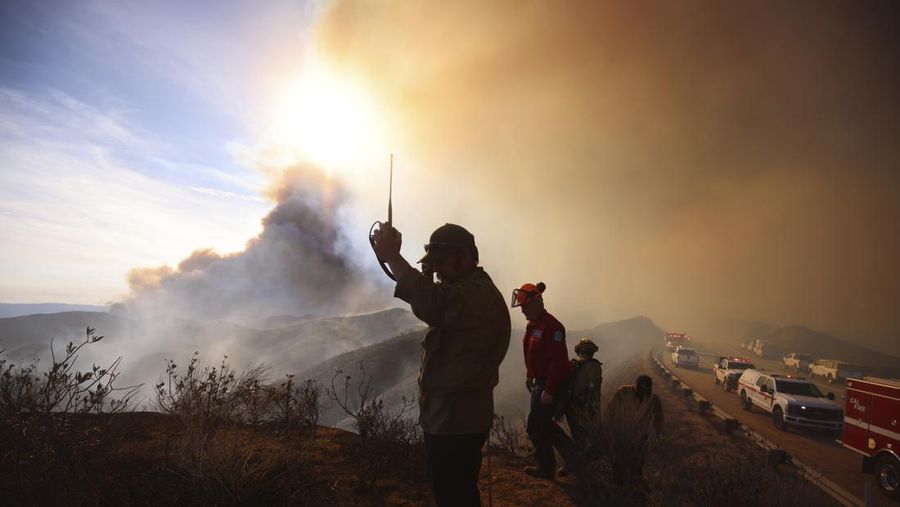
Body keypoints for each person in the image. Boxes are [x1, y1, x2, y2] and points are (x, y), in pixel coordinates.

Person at [371, 222, 511, 507]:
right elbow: (437, 302)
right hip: (450, 418)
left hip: (457, 420)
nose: (436, 271)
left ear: (465, 257)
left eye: (441, 262)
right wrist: (422, 272)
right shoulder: (467, 290)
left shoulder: (477, 294)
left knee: (455, 496)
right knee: (453, 493)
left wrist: (394, 258)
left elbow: (434, 304)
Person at [512, 281, 578, 479]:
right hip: (539, 382)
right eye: (521, 307)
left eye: (525, 306)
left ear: (538, 302)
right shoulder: (534, 325)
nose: (523, 311)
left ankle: (547, 467)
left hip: (551, 383)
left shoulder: (552, 326)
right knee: (543, 423)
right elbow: (531, 354)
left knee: (535, 425)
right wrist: (529, 375)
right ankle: (574, 458)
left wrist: (549, 391)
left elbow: (557, 362)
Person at [606, 374, 665, 485]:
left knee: (637, 466)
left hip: (640, 439)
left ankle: (634, 486)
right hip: (621, 436)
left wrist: (660, 436)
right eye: (641, 390)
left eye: (647, 390)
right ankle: (618, 486)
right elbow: (610, 410)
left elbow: (658, 419)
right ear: (636, 386)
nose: (643, 394)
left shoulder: (653, 400)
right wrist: (607, 428)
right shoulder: (623, 392)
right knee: (619, 463)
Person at [564, 338, 603, 456]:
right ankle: (579, 462)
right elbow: (593, 389)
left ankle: (575, 460)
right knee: (588, 436)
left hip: (569, 403)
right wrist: (595, 410)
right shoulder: (594, 367)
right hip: (584, 406)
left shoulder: (574, 363)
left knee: (576, 434)